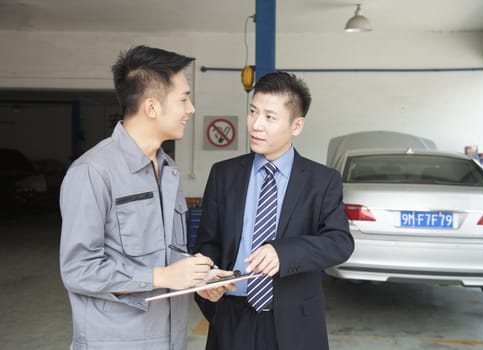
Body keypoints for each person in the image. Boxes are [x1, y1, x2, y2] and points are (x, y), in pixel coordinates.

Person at [59, 45, 226, 350]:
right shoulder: (93, 173)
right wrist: (162, 275)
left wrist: (197, 277)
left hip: (172, 340)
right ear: (151, 107)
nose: (191, 109)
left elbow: (165, 259)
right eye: (184, 98)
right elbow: (78, 270)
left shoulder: (169, 171)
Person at [194, 71, 354, 350]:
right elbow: (208, 242)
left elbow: (340, 243)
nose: (256, 125)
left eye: (270, 117)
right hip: (231, 317)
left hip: (295, 325)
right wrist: (209, 277)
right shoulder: (224, 174)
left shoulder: (321, 180)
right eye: (253, 112)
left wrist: (285, 252)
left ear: (297, 125)